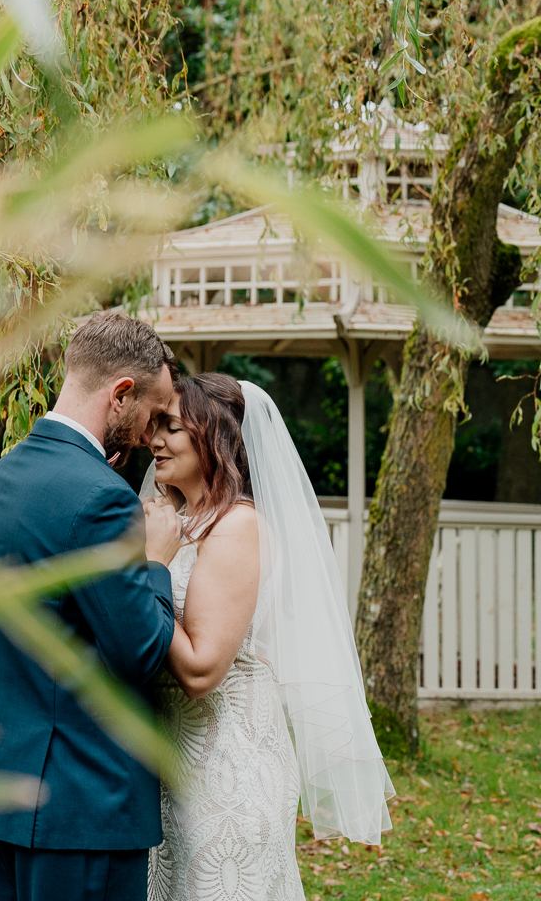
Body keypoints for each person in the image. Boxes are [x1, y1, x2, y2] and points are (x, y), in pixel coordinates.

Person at [0, 310, 186, 901]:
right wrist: (157, 562)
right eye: (153, 415)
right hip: (80, 811)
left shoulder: (2, 477)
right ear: (121, 395)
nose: (150, 435)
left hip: (1, 793)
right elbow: (140, 652)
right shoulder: (101, 499)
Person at [141, 373, 394, 901]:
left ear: (215, 436)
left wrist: (152, 570)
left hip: (224, 768)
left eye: (171, 427)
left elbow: (202, 669)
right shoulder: (183, 522)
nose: (154, 440)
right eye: (154, 426)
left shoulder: (236, 526)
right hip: (172, 761)